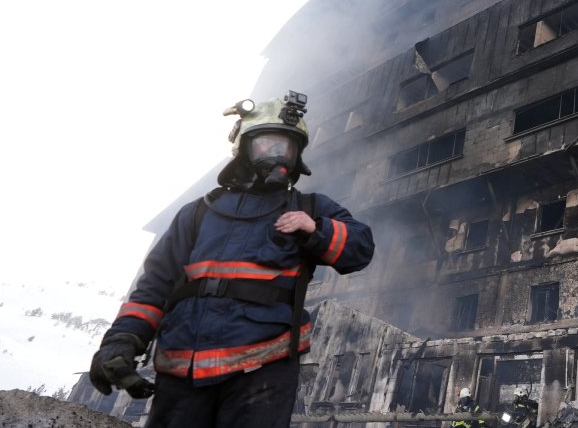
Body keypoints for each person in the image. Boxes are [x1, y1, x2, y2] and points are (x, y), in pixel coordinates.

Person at [88, 91, 375, 427]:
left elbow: (361, 248)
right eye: (268, 144)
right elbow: (154, 284)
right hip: (182, 371)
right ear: (244, 147)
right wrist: (122, 340)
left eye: (287, 146)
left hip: (262, 371)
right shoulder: (198, 212)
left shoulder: (309, 207)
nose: (278, 153)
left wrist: (316, 229)